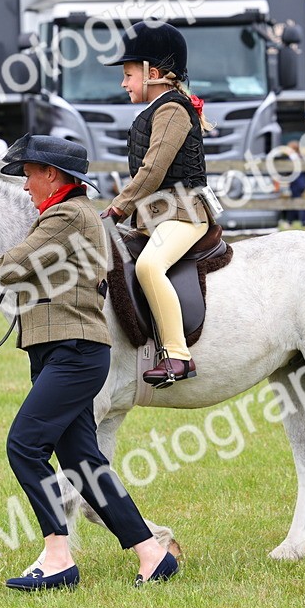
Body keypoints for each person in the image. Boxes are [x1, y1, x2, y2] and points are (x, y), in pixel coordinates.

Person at [0, 134, 179, 591]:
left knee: (24, 445)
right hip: (64, 350)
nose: (24, 185)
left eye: (29, 174)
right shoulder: (66, 215)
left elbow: (10, 267)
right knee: (82, 463)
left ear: (52, 175)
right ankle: (151, 552)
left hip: (72, 353)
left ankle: (58, 556)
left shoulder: (66, 215)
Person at [102, 21, 213, 388]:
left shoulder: (171, 110)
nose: (123, 83)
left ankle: (178, 356)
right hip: (158, 217)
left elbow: (153, 169)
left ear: (153, 73)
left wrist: (118, 207)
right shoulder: (156, 109)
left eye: (128, 74)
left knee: (150, 266)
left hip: (184, 214)